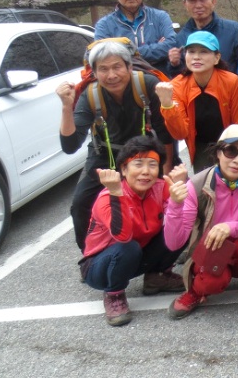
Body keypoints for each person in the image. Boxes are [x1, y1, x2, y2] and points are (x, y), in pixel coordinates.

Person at [57, 39, 173, 251]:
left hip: (147, 154)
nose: (111, 75)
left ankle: (158, 266)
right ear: (94, 72)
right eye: (103, 69)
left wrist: (165, 174)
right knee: (81, 204)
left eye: (117, 67)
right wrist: (66, 106)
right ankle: (91, 259)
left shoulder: (147, 85)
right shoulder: (91, 94)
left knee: (167, 199)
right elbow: (70, 145)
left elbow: (165, 135)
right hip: (106, 154)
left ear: (129, 66)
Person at [163, 124, 238, 319]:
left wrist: (229, 227)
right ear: (218, 152)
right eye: (231, 151)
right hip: (211, 246)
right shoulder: (196, 185)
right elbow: (174, 243)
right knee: (211, 284)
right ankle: (195, 291)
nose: (237, 160)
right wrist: (174, 206)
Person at [79, 136, 187, 326]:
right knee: (128, 247)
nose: (145, 172)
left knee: (182, 225)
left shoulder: (161, 188)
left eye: (152, 165)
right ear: (123, 169)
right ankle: (114, 294)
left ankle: (156, 278)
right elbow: (123, 236)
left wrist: (179, 195)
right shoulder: (107, 196)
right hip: (99, 266)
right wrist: (116, 193)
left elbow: (178, 232)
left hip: (135, 255)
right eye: (138, 164)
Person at [156, 31, 238, 172]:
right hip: (200, 146)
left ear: (216, 58)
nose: (196, 57)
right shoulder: (177, 85)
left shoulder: (231, 81)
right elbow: (179, 133)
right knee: (205, 188)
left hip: (230, 143)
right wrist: (167, 105)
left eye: (204, 52)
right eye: (191, 52)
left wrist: (234, 152)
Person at [94, 0, 176, 74]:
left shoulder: (160, 17)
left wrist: (124, 53)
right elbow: (101, 55)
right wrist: (156, 49)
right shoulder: (104, 25)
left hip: (159, 77)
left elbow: (171, 44)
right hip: (123, 81)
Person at [167, 0, 238, 77]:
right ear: (185, 5)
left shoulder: (234, 31)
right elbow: (180, 79)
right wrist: (174, 65)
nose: (198, 5)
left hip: (229, 90)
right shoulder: (180, 38)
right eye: (192, 0)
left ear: (213, 1)